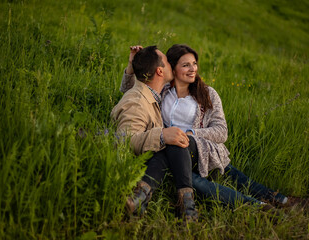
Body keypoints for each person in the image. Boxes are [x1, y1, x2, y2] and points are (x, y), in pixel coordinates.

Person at [120, 44, 291, 210]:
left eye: (194, 64)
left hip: (203, 151)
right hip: (173, 151)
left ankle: (281, 200)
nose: (192, 69)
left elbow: (221, 132)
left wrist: (190, 133)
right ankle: (257, 207)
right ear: (172, 69)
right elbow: (137, 92)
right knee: (196, 182)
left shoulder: (207, 94)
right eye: (186, 65)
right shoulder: (164, 91)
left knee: (240, 180)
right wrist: (131, 67)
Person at [111, 46, 199, 221]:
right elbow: (123, 141)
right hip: (150, 162)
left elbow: (130, 86)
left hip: (166, 158)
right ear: (160, 71)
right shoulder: (136, 102)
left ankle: (141, 198)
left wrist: (134, 65)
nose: (172, 66)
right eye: (167, 62)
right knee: (200, 180)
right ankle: (187, 208)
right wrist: (162, 135)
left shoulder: (155, 92)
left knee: (177, 145)